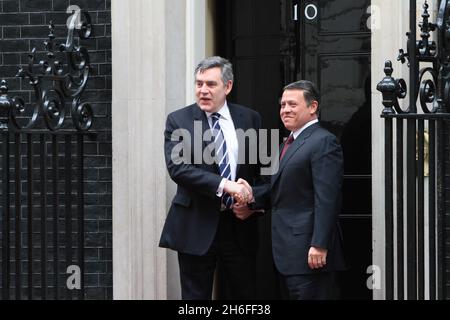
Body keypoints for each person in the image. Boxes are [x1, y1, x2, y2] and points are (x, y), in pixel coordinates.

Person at [159, 56, 262, 300]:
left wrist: (254, 204)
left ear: (228, 87)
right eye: (199, 83)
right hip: (195, 224)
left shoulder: (251, 119)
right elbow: (178, 168)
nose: (203, 90)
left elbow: (266, 172)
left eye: (211, 84)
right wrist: (226, 185)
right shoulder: (178, 120)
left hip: (240, 227)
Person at [237, 80, 346, 300]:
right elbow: (277, 189)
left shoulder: (323, 142)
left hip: (310, 254)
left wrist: (320, 244)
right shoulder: (288, 142)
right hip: (287, 253)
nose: (285, 110)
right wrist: (250, 196)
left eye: (292, 104)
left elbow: (327, 199)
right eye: (282, 105)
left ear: (313, 107)